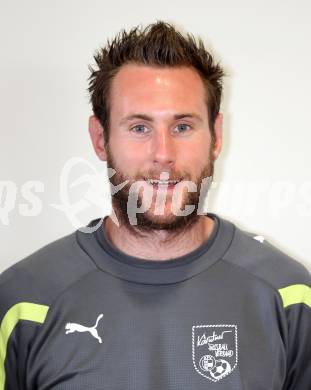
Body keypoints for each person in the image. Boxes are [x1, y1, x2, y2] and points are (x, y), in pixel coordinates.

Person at [0, 21, 310, 390]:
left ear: (216, 136)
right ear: (100, 139)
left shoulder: (290, 296)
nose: (163, 154)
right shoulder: (22, 302)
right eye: (139, 128)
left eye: (182, 127)